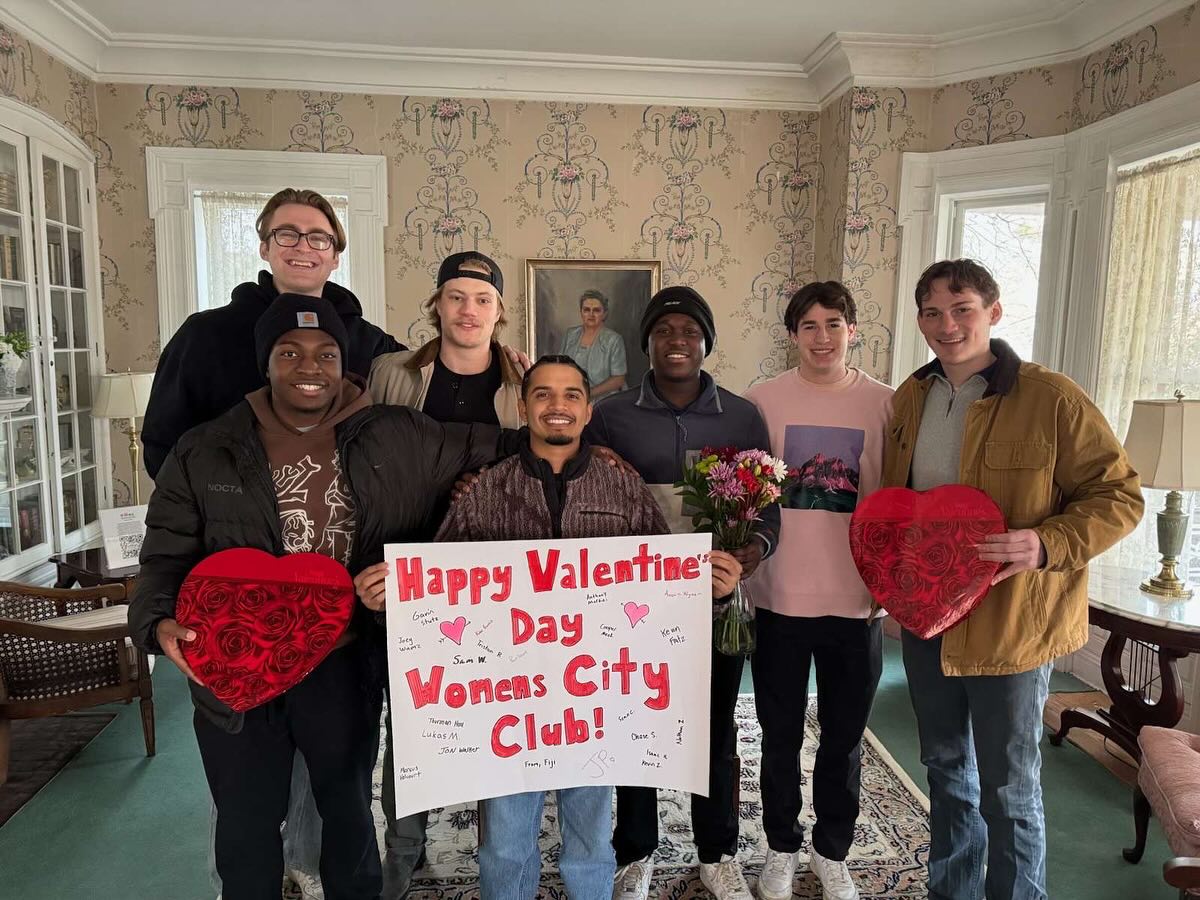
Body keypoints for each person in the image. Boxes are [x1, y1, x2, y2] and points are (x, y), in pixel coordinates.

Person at [129, 296, 518, 900]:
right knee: (247, 822)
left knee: (348, 813)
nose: (309, 365)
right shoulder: (206, 449)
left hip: (341, 660)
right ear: (266, 362)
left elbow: (508, 448)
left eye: (326, 354)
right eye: (290, 352)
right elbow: (163, 558)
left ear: (343, 362)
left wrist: (564, 425)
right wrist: (156, 621)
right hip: (232, 665)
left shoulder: (397, 433)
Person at [355, 355, 743, 900]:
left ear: (587, 410)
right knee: (506, 844)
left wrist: (713, 592)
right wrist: (389, 602)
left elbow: (665, 594)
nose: (555, 405)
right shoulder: (486, 491)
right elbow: (437, 596)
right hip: (508, 707)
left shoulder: (623, 490)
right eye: (542, 394)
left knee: (590, 839)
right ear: (523, 406)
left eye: (569, 395)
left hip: (598, 705)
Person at [884, 259, 1143, 900]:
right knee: (945, 771)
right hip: (928, 621)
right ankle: (953, 891)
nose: (948, 325)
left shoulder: (1051, 398)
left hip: (1013, 627)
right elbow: (900, 509)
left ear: (993, 313)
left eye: (963, 308)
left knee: (1008, 786)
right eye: (933, 312)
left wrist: (1047, 542)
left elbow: (1120, 496)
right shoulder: (909, 399)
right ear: (919, 320)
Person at [583, 286, 780, 900]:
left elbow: (767, 508)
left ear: (706, 342)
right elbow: (592, 496)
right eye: (664, 330)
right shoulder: (611, 413)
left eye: (689, 331)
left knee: (715, 729)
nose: (677, 341)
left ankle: (716, 850)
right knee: (635, 725)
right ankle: (636, 850)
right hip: (634, 605)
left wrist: (756, 551)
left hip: (715, 603)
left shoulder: (742, 416)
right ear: (647, 340)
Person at [366, 250, 523, 897]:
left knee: (495, 717)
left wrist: (491, 488)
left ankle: (499, 848)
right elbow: (364, 466)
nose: (468, 310)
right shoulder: (390, 375)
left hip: (494, 577)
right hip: (408, 569)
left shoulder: (526, 382)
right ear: (436, 304)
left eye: (481, 299)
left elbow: (546, 471)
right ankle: (403, 847)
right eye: (455, 297)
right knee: (412, 718)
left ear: (499, 311)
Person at [743, 282, 893, 900]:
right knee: (777, 735)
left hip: (857, 601)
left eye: (835, 324)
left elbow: (895, 500)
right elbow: (744, 498)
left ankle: (833, 850)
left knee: (843, 737)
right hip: (778, 597)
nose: (823, 337)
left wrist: (893, 581)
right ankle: (780, 846)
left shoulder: (886, 404)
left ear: (853, 329)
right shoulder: (762, 401)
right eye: (809, 326)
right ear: (793, 334)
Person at [141, 187, 404, 480]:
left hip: (346, 518)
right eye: (287, 234)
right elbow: (162, 443)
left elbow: (425, 393)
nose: (303, 247)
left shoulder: (371, 342)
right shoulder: (203, 335)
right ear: (265, 248)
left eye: (318, 238)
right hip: (231, 518)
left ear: (335, 256)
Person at [560, 289, 627, 399]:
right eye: (586, 310)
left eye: (596, 310)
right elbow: (559, 366)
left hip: (605, 400)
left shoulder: (614, 340)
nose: (591, 314)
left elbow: (618, 379)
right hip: (572, 397)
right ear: (581, 312)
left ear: (604, 314)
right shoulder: (570, 334)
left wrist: (588, 394)